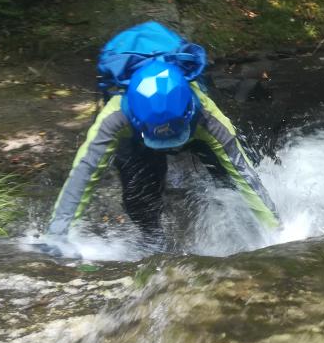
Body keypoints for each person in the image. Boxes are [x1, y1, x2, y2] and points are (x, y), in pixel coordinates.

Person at [47, 21, 279, 239]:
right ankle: (153, 241)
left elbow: (243, 174)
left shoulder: (208, 117)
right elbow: (84, 173)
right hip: (140, 133)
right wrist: (57, 236)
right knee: (139, 199)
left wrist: (277, 233)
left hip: (182, 127)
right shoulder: (116, 117)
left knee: (230, 184)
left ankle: (245, 231)